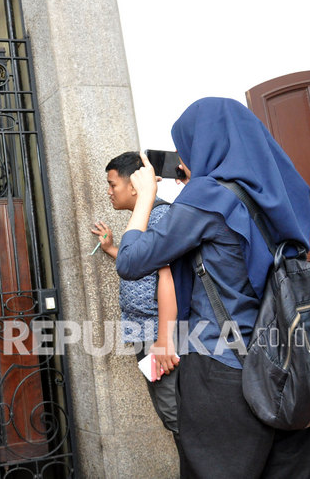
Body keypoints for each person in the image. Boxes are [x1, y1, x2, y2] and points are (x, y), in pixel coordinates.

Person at [116, 97, 310, 478]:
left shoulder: (208, 196)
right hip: (291, 362)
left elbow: (131, 261)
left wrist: (145, 198)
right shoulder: (286, 190)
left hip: (226, 368)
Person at [90, 151, 181, 456]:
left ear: (133, 185)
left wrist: (163, 339)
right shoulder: (143, 217)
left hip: (158, 336)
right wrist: (112, 248)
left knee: (174, 412)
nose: (109, 191)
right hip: (147, 335)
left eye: (112, 184)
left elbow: (168, 278)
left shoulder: (158, 217)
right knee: (168, 409)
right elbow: (144, 263)